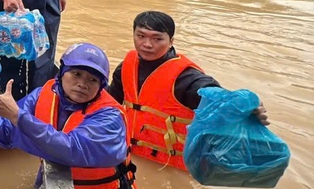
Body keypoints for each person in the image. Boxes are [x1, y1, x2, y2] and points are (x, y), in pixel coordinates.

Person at [0, 43, 142, 189]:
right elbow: (6, 132)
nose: (82, 84)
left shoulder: (110, 117)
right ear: (62, 72)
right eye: (76, 74)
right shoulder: (42, 95)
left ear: (101, 86)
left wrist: (18, 117)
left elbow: (71, 149)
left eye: (93, 80)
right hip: (56, 185)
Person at [106, 10, 270, 171]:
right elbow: (109, 102)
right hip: (130, 155)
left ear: (171, 41)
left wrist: (241, 108)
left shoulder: (185, 78)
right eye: (140, 36)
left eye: (157, 38)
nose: (147, 44)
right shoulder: (126, 67)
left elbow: (211, 94)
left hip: (172, 167)